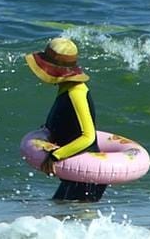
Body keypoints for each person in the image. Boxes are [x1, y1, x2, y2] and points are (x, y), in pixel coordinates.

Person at [26, 37, 107, 202]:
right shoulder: (66, 88)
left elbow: (88, 136)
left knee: (70, 218)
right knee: (61, 215)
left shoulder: (76, 92)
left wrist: (56, 156)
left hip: (87, 173)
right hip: (80, 171)